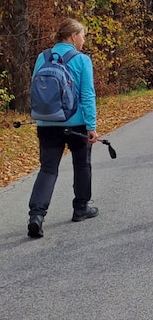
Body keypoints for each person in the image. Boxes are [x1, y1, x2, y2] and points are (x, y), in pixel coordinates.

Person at [27, 18, 98, 238]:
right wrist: (91, 125)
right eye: (82, 36)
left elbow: (35, 89)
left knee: (48, 169)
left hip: (47, 122)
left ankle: (36, 215)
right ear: (73, 36)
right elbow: (87, 95)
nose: (83, 40)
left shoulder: (43, 57)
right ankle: (80, 208)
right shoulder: (82, 60)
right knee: (82, 164)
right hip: (75, 123)